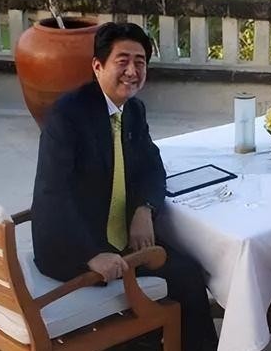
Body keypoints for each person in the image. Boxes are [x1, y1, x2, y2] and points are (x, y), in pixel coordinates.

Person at [31, 22, 218, 351]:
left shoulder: (132, 110)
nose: (132, 71)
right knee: (171, 288)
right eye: (123, 61)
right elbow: (52, 195)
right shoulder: (67, 116)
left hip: (124, 239)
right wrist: (90, 255)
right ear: (97, 66)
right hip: (76, 248)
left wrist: (145, 209)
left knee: (188, 273)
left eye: (140, 62)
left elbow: (151, 166)